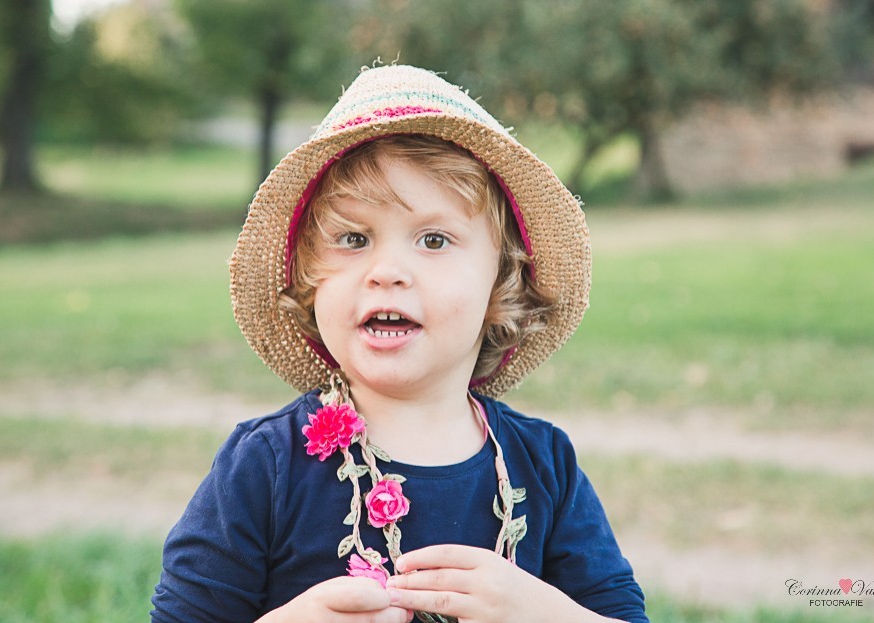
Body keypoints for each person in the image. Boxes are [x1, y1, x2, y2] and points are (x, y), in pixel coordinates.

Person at [151, 64, 648, 623]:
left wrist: (543, 613)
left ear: (501, 283)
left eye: (434, 240)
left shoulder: (543, 464)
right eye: (353, 239)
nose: (387, 271)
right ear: (312, 282)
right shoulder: (263, 465)